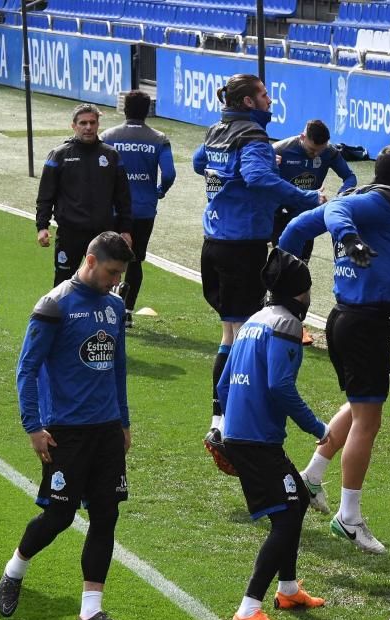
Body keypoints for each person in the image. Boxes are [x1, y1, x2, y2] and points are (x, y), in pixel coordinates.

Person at [0, 232, 135, 620]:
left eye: (120, 275)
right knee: (58, 515)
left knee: (106, 515)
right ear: (90, 261)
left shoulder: (114, 306)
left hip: (107, 430)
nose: (115, 281)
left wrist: (123, 420)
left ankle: (91, 611)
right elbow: (26, 369)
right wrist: (33, 426)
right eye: (111, 272)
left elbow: (117, 368)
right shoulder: (53, 306)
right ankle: (14, 571)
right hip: (66, 433)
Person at [297, 145, 390, 555]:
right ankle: (349, 518)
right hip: (362, 324)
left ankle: (312, 477)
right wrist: (349, 239)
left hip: (354, 320)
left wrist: (281, 264)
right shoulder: (379, 201)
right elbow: (334, 213)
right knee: (368, 422)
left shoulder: (375, 201)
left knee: (358, 408)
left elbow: (299, 227)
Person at [192, 74, 322, 457]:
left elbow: (202, 163)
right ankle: (223, 425)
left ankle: (223, 420)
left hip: (213, 243)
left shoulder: (218, 130)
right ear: (249, 102)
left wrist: (233, 172)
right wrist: (306, 197)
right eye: (264, 94)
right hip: (240, 247)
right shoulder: (252, 137)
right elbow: (256, 176)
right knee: (237, 337)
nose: (270, 99)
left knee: (230, 333)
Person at [217, 248, 330, 620]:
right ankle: (249, 609)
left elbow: (223, 381)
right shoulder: (286, 326)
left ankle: (288, 590)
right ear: (299, 293)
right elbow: (280, 386)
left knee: (295, 500)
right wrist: (318, 428)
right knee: (285, 516)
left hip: (243, 434)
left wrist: (223, 426)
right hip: (257, 440)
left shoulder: (253, 321)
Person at [272, 121, 356, 346]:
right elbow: (264, 179)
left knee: (299, 271)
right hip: (278, 216)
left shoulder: (328, 152)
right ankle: (270, 317)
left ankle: (296, 324)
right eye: (311, 150)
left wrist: (339, 198)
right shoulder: (280, 149)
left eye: (319, 151)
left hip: (307, 221)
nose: (315, 154)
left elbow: (350, 177)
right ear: (302, 137)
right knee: (277, 269)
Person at [99, 90, 176, 327]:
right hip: (143, 209)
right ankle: (128, 311)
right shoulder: (159, 138)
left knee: (106, 256)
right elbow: (170, 173)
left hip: (112, 209)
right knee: (135, 260)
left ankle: (104, 307)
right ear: (147, 111)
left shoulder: (108, 136)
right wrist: (159, 190)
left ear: (124, 109)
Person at [35, 104, 132, 287]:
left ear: (98, 124)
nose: (88, 127)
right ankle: (62, 316)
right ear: (74, 126)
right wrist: (42, 226)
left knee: (103, 282)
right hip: (69, 234)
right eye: (83, 123)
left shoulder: (111, 155)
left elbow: (123, 197)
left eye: (92, 123)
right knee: (63, 284)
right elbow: (46, 195)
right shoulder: (59, 155)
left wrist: (125, 229)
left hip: (102, 235)